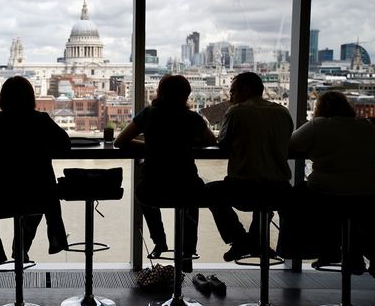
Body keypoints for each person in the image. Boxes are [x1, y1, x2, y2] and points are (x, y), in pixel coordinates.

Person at [114, 75, 216, 272]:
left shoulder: (149, 114)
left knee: (142, 192)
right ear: (186, 95)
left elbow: (120, 142)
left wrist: (151, 144)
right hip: (186, 186)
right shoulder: (192, 118)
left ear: (160, 92)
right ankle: (187, 252)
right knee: (192, 197)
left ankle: (159, 241)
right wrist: (185, 143)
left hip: (154, 187)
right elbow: (211, 140)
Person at [0, 76, 70, 268]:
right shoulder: (41, 120)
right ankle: (22, 246)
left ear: (3, 98)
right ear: (30, 98)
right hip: (36, 194)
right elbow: (65, 144)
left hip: (1, 195)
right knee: (40, 195)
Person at [289, 91, 375, 279]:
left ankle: (325, 249)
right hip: (370, 193)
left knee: (293, 198)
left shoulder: (318, 125)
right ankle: (356, 254)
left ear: (320, 108)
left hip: (327, 193)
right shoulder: (368, 127)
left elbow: (291, 144)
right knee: (352, 216)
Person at [207, 72, 294, 261]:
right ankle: (258, 241)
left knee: (209, 192)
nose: (230, 97)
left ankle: (238, 239)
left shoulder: (236, 111)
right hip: (280, 190)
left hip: (244, 189)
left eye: (232, 92)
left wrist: (230, 109)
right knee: (264, 198)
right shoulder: (283, 111)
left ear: (245, 90)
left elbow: (223, 144)